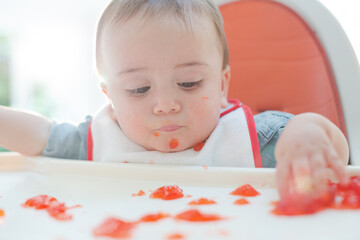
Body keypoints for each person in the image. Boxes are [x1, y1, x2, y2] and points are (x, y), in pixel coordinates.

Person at [0, 0, 349, 199]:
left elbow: (330, 150)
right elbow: (42, 138)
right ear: (110, 97)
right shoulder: (102, 140)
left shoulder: (256, 141)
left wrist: (309, 138)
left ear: (223, 83)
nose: (165, 104)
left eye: (189, 82)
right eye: (139, 89)